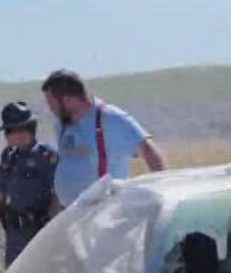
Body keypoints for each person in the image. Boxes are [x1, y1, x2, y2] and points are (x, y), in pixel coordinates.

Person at [40, 68, 168, 207]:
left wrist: (165, 191)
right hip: (71, 214)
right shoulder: (61, 125)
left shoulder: (111, 118)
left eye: (52, 103)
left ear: (68, 100)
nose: (50, 109)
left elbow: (149, 151)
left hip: (104, 213)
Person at [0, 100, 62, 267]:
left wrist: (50, 232)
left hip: (38, 235)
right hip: (14, 236)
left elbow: (57, 196)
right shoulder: (8, 156)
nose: (5, 136)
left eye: (8, 131)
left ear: (22, 130)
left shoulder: (46, 157)